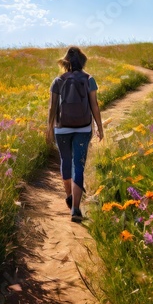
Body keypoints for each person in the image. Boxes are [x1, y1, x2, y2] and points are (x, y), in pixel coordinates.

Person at [46, 46, 104, 222]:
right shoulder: (89, 79)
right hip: (83, 127)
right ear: (83, 61)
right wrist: (100, 127)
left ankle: (70, 197)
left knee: (65, 160)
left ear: (66, 62)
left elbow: (52, 107)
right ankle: (76, 210)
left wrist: (49, 128)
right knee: (78, 165)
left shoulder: (58, 80)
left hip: (61, 128)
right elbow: (94, 105)